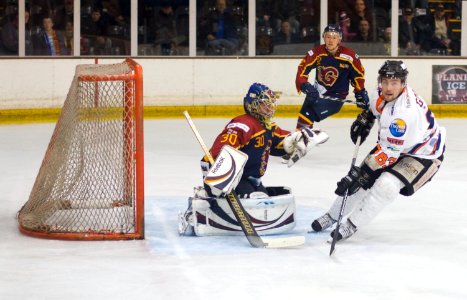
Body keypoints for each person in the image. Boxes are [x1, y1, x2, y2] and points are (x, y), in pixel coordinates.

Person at [311, 60, 446, 242]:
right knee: (361, 180)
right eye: (385, 81)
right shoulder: (381, 92)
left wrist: (355, 174)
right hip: (395, 144)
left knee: (385, 186)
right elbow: (375, 108)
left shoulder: (404, 114)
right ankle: (333, 215)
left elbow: (389, 155)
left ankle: (352, 224)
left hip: (423, 153)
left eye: (394, 83)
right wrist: (366, 117)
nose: (388, 88)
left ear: (403, 84)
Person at [201, 82, 326, 198]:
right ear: (253, 105)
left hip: (252, 180)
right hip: (234, 180)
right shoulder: (243, 124)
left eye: (270, 103)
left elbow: (280, 141)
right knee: (254, 202)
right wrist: (226, 171)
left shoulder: (267, 126)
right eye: (264, 104)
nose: (269, 107)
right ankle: (208, 196)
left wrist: (297, 139)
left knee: (264, 201)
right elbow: (220, 149)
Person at [294, 24, 369, 131]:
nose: (330, 40)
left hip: (335, 98)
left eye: (334, 37)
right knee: (302, 120)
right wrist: (305, 85)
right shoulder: (317, 53)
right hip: (315, 94)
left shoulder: (350, 57)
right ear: (324, 37)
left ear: (339, 39)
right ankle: (301, 144)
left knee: (307, 115)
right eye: (328, 36)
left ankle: (304, 141)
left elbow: (358, 76)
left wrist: (360, 92)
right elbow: (302, 69)